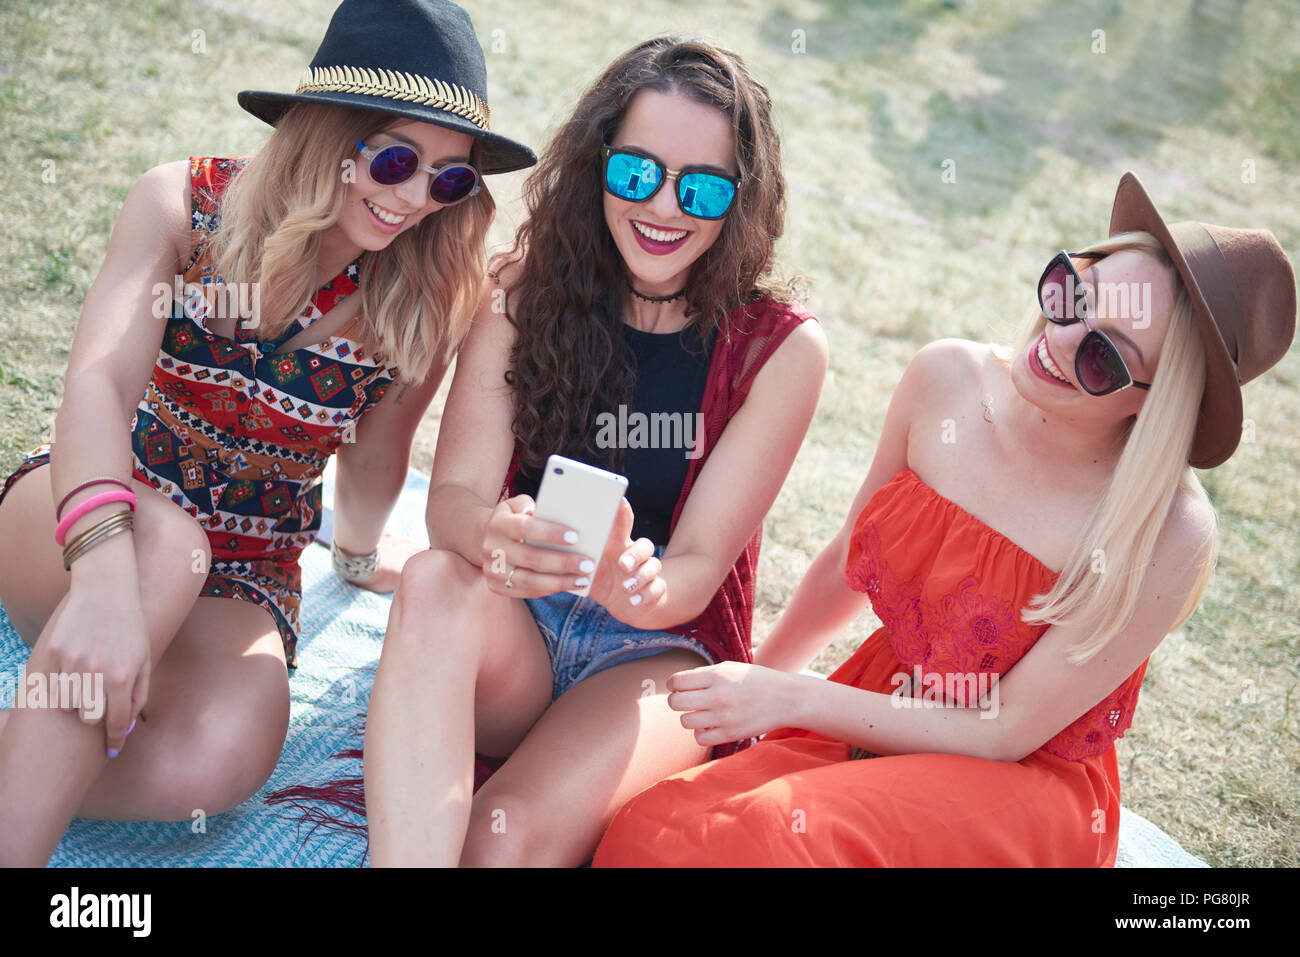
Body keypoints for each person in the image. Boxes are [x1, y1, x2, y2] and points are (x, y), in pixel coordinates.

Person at [592, 172, 1297, 867]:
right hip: (884, 707)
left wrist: (789, 695)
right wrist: (753, 692)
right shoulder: (945, 380)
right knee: (653, 829)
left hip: (1021, 778)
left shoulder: (1165, 530)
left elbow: (1006, 729)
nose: (1060, 336)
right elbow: (847, 563)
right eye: (1072, 291)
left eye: (1103, 354)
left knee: (773, 838)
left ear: (1154, 400)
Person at [0, 0, 535, 866]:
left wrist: (357, 560)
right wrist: (102, 575)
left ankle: (28, 752)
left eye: (449, 179)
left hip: (247, 569)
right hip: (85, 509)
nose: (414, 200)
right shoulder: (181, 205)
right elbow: (96, 383)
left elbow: (375, 462)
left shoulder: (427, 300)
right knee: (165, 549)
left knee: (219, 753)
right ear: (327, 135)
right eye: (396, 159)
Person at [358, 36, 828, 867]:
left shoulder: (780, 350)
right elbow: (452, 504)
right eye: (637, 172)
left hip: (654, 655)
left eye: (706, 186)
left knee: (496, 849)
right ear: (597, 164)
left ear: (740, 201)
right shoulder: (520, 292)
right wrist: (489, 535)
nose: (666, 208)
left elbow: (698, 568)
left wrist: (636, 583)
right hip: (519, 626)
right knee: (433, 578)